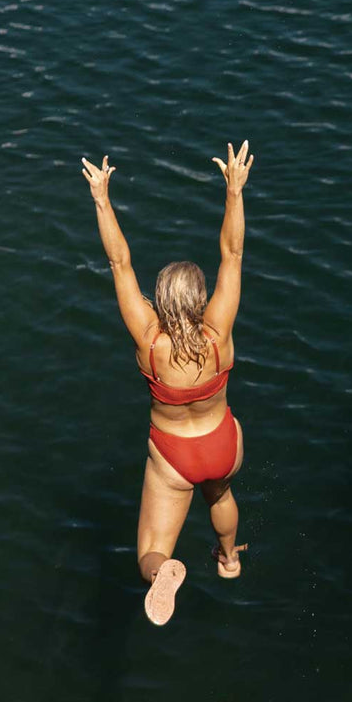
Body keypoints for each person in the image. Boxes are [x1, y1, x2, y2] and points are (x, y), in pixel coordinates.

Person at [81, 142, 254, 624]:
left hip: (173, 456)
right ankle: (230, 559)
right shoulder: (219, 333)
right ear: (200, 299)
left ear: (159, 298)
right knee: (219, 494)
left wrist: (101, 197)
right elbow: (233, 253)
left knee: (149, 552)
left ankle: (163, 573)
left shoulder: (149, 341)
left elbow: (120, 264)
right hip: (222, 443)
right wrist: (234, 190)